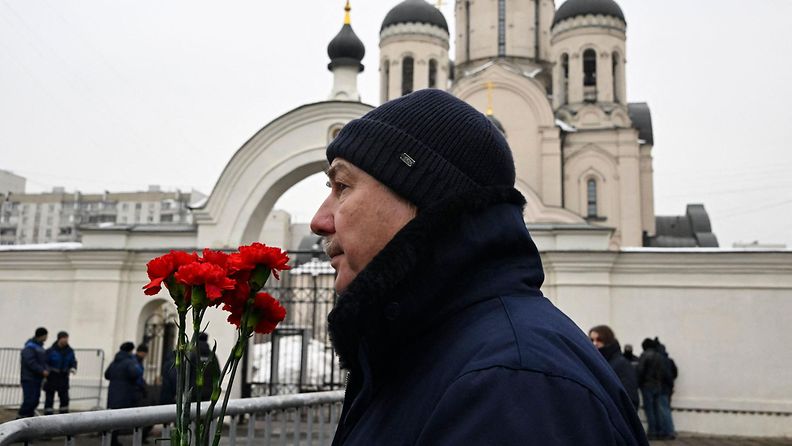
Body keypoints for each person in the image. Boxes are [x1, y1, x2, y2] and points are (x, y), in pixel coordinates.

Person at [310, 89, 648, 445]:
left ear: (424, 198)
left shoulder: (514, 384)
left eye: (342, 186)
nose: (319, 220)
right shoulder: (428, 351)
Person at [589, 325, 640, 410]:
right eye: (591, 340)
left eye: (599, 340)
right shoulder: (596, 361)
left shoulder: (621, 364)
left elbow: (630, 398)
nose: (595, 343)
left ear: (608, 340)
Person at [105, 342, 143, 446]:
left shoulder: (115, 361)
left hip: (113, 392)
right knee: (119, 417)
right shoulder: (129, 361)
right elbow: (136, 373)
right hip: (124, 392)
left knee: (113, 417)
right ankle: (114, 440)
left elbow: (107, 374)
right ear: (130, 350)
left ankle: (112, 440)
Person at [637, 338, 676, 440]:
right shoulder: (660, 356)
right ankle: (659, 431)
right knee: (657, 410)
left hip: (647, 386)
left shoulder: (645, 355)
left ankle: (652, 432)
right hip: (658, 386)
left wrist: (639, 383)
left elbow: (640, 371)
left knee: (650, 410)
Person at [18, 327, 49, 418]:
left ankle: (29, 419)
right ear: (42, 335)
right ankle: (20, 418)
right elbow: (30, 362)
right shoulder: (30, 347)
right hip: (29, 378)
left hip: (37, 379)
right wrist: (42, 370)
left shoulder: (40, 347)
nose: (47, 337)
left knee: (35, 400)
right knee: (29, 400)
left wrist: (46, 369)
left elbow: (44, 361)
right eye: (46, 335)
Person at [43, 331, 77, 415]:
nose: (66, 340)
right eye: (64, 338)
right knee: (49, 397)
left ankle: (64, 416)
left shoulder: (70, 351)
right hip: (52, 376)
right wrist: (47, 370)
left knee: (64, 398)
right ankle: (48, 416)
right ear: (59, 339)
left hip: (64, 376)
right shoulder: (50, 351)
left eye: (67, 339)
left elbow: (73, 361)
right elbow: (45, 362)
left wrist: (73, 368)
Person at [189, 332, 221, 402]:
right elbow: (218, 373)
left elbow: (186, 372)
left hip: (193, 391)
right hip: (208, 392)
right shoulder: (212, 355)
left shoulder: (192, 354)